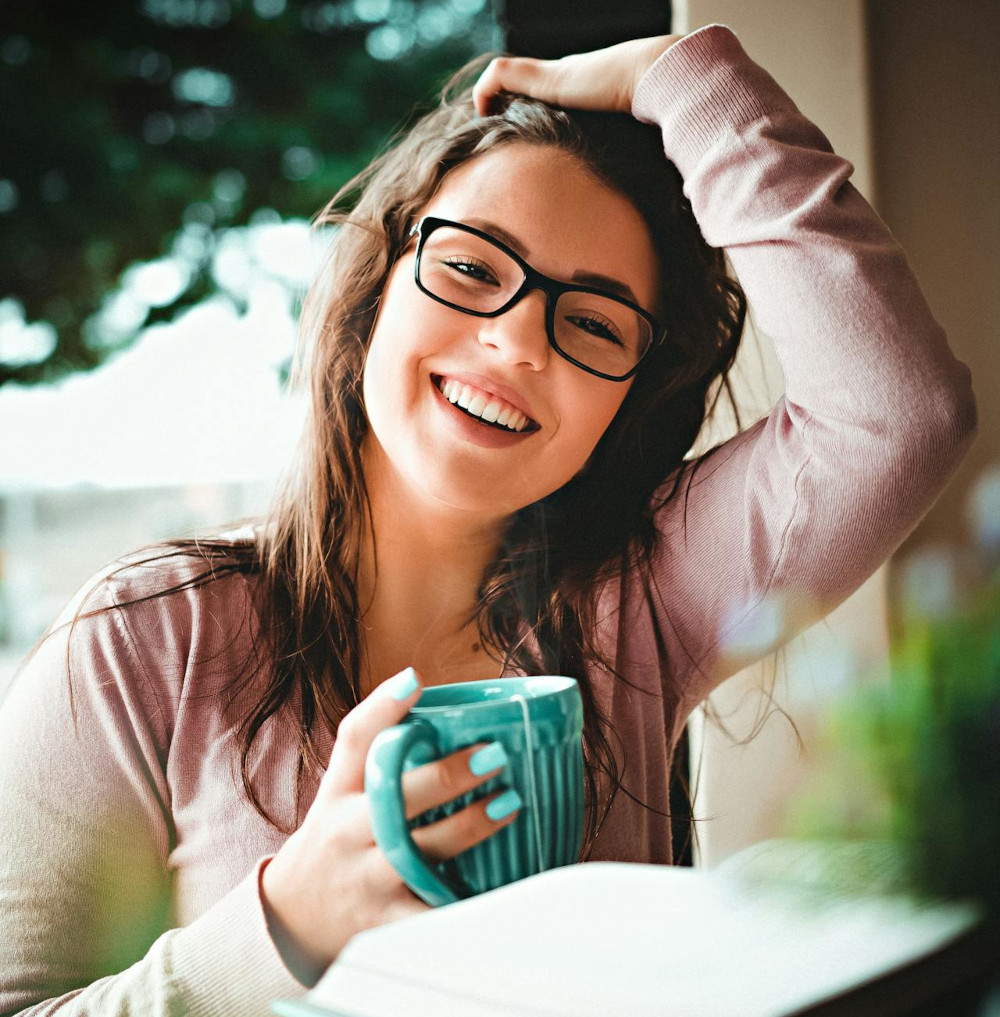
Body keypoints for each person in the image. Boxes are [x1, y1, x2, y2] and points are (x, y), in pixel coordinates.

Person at [0, 23, 976, 1016]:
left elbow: (898, 414)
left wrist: (678, 74)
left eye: (592, 323)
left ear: (623, 407)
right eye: (471, 269)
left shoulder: (640, 603)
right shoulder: (147, 641)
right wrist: (283, 922)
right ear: (376, 285)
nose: (515, 343)